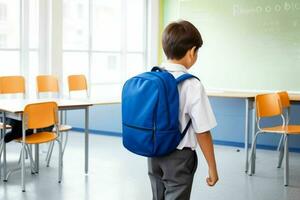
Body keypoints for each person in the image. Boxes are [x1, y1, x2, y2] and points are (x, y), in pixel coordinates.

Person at [147, 20, 219, 200]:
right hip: (179, 158)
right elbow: (202, 130)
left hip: (153, 154)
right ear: (192, 52)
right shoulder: (192, 84)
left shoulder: (154, 76)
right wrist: (212, 166)